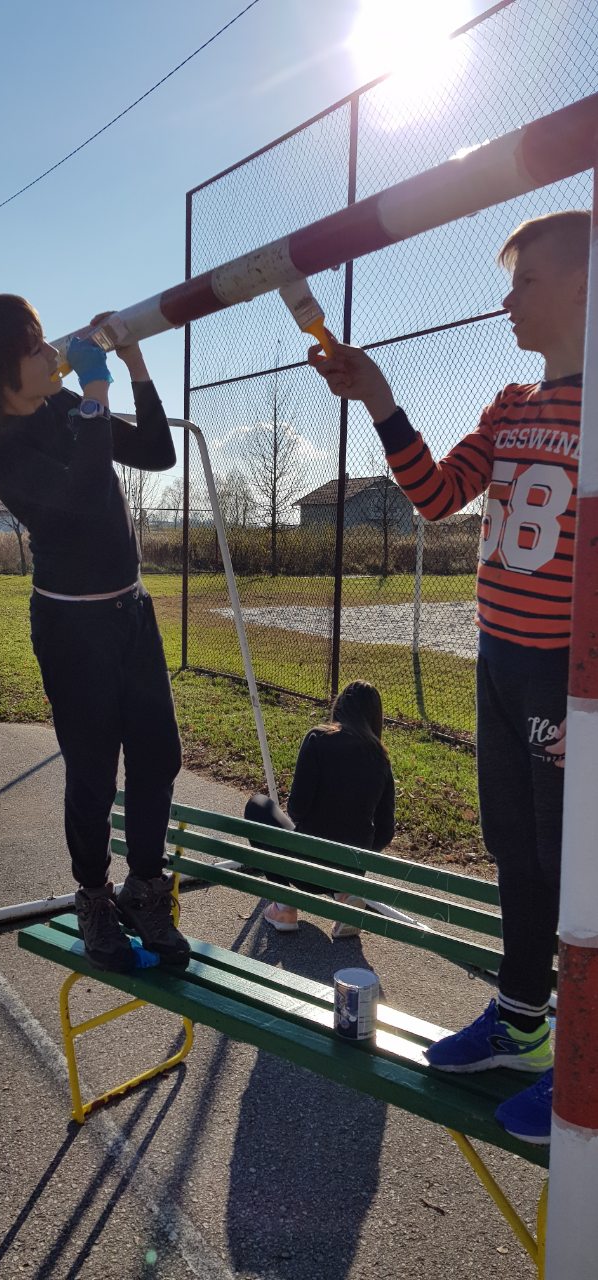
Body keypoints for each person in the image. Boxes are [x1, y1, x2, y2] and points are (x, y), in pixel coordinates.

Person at [308, 210, 590, 1144]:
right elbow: (434, 497)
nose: (508, 300)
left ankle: (587, 1062)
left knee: (576, 868)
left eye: (527, 282)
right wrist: (381, 400)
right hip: (500, 660)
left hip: (572, 679)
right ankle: (521, 1023)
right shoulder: (510, 405)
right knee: (516, 849)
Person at [0, 294, 190, 973]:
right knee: (94, 770)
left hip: (131, 611)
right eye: (34, 346)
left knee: (157, 755)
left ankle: (145, 890)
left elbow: (158, 453)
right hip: (72, 625)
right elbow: (77, 497)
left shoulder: (67, 405)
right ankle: (95, 896)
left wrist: (134, 366)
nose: (51, 353)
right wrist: (96, 395)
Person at [245, 680, 395, 937]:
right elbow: (385, 831)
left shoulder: (319, 738)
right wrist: (357, 856)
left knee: (258, 806)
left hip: (306, 868)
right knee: (344, 845)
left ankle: (284, 905)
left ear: (340, 706)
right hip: (350, 870)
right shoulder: (380, 757)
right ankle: (345, 894)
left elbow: (297, 809)